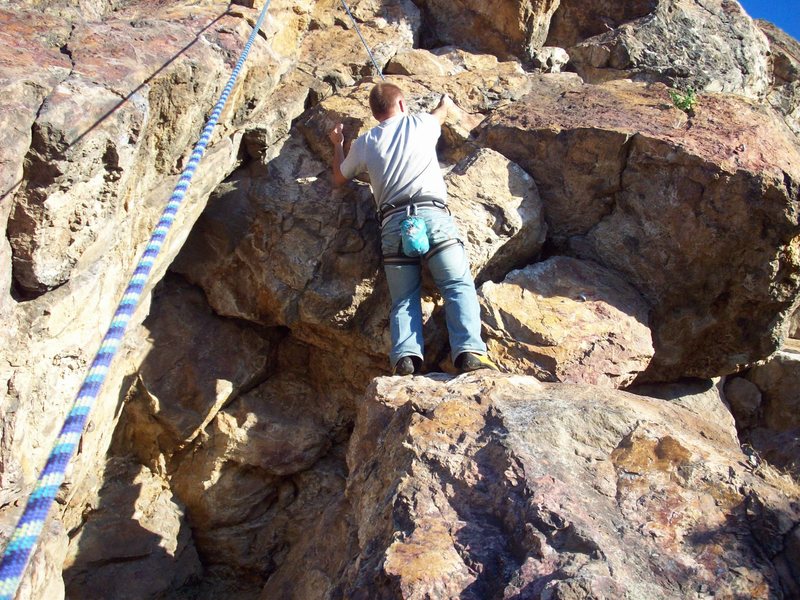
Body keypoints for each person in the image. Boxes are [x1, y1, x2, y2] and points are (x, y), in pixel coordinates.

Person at [328, 82, 497, 376]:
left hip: (394, 224)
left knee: (404, 298)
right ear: (403, 104)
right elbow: (442, 112)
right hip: (432, 216)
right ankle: (469, 352)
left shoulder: (365, 142)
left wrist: (337, 144)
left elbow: (339, 178)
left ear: (374, 112)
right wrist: (445, 100)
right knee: (456, 285)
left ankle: (405, 359)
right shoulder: (420, 123)